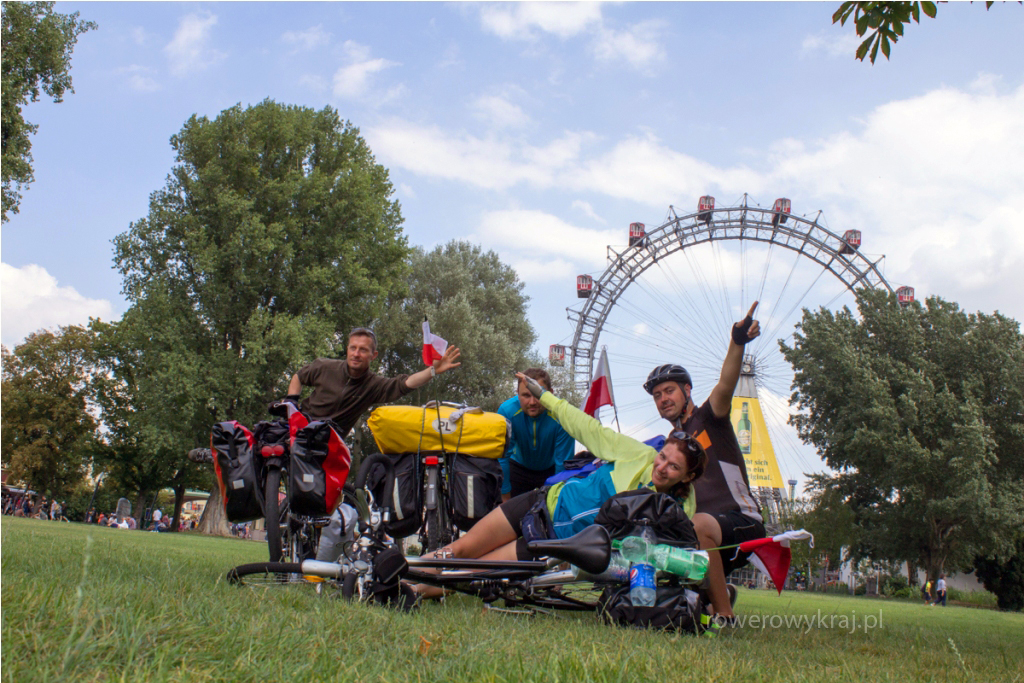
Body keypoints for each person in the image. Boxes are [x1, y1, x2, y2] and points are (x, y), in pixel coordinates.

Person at [411, 372, 707, 598]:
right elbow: (586, 427)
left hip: (554, 541)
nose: (661, 467)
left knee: (473, 572)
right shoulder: (640, 455)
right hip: (543, 501)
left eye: (674, 467)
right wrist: (544, 396)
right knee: (462, 548)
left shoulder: (677, 512)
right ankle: (401, 574)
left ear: (687, 478)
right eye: (663, 457)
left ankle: (411, 591)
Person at [644, 301, 766, 623]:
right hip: (704, 534)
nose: (663, 399)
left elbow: (726, 383)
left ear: (687, 390)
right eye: (657, 396)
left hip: (742, 522)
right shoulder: (671, 446)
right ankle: (715, 596)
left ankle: (724, 615)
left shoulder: (709, 417)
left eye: (669, 391)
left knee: (697, 524)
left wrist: (737, 342)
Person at [285, 327, 461, 439]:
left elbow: (406, 383)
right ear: (347, 349)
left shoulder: (373, 385)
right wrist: (291, 403)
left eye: (363, 350)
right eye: (353, 348)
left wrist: (432, 371)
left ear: (373, 355)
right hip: (300, 428)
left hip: (329, 442)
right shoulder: (325, 367)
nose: (356, 354)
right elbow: (298, 377)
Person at [497, 368, 576, 501]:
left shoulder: (562, 416)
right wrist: (505, 496)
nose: (532, 402)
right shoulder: (507, 411)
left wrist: (556, 500)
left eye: (538, 394)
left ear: (551, 394)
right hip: (517, 468)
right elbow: (502, 457)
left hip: (551, 470)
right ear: (517, 394)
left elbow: (562, 464)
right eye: (526, 395)